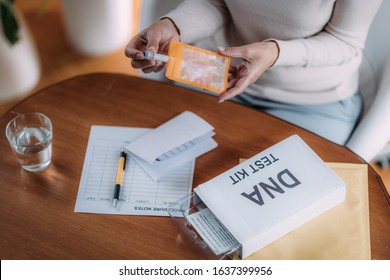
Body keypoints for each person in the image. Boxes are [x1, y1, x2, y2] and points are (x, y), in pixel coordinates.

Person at [125, 0, 382, 145]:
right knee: (161, 152)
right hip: (223, 76)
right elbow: (217, 3)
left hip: (312, 100)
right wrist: (174, 26)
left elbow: (345, 41)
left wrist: (274, 52)